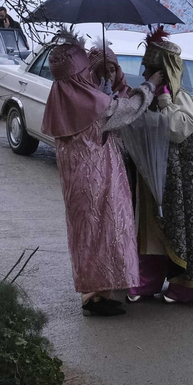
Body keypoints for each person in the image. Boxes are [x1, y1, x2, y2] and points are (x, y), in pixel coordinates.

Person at [46, 31, 150, 316]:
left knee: (86, 233)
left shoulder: (63, 95)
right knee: (104, 230)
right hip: (97, 179)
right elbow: (128, 111)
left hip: (77, 182)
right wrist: (149, 88)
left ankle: (94, 293)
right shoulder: (93, 104)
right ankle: (97, 295)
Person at [121, 28, 193, 303]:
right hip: (152, 176)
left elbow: (178, 131)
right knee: (150, 227)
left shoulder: (181, 98)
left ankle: (185, 286)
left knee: (182, 225)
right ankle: (148, 280)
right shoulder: (146, 95)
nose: (145, 75)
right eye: (145, 69)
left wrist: (166, 99)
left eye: (151, 69)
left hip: (179, 181)